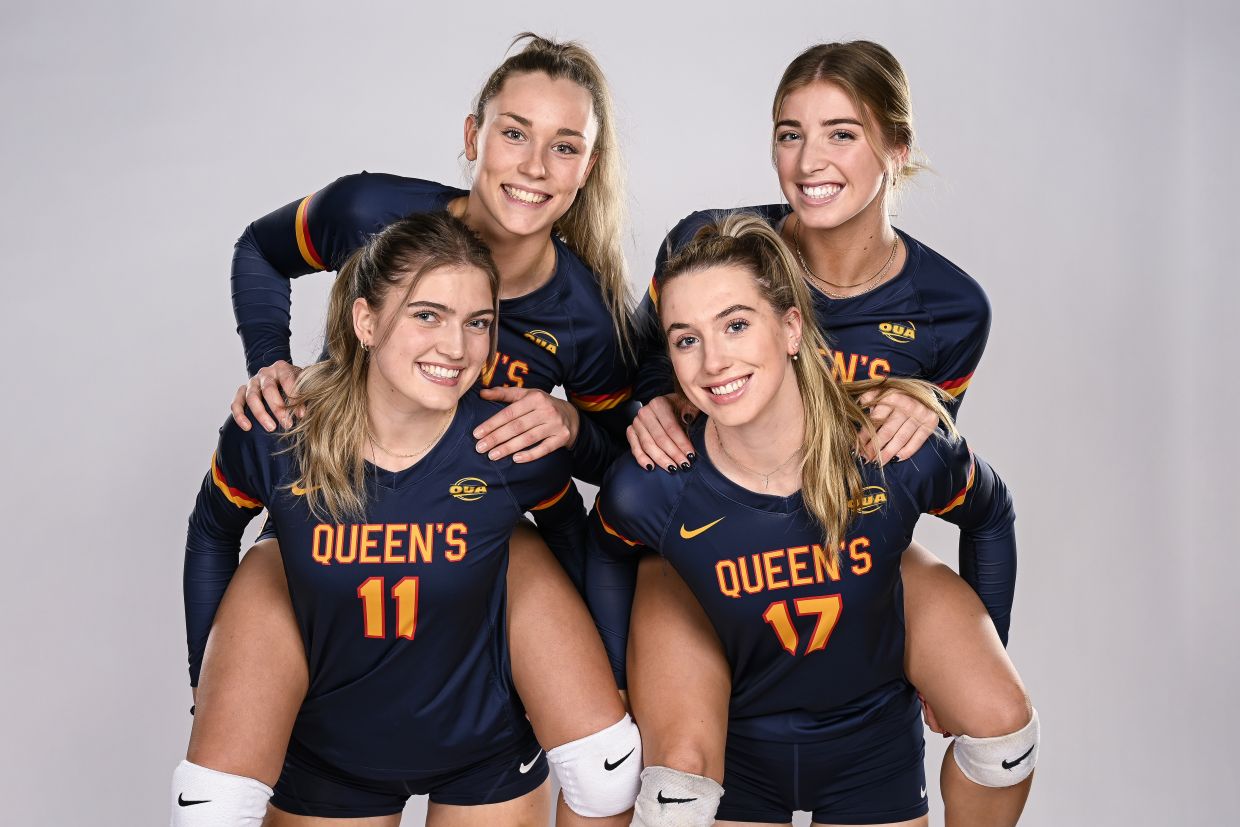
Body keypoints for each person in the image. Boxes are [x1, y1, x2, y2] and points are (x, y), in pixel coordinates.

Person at [178, 34, 642, 826]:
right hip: (332, 519)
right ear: (473, 137)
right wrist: (270, 362)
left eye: (564, 146)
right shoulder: (372, 214)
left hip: (466, 552)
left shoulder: (585, 316)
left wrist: (566, 423)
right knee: (216, 798)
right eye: (514, 132)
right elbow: (259, 248)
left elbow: (619, 466)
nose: (533, 165)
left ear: (586, 168)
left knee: (602, 771)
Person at [622, 41, 1032, 825]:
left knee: (1005, 736)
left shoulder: (951, 308)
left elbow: (911, 479)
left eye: (842, 132)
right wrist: (652, 403)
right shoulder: (716, 245)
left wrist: (963, 658)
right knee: (676, 790)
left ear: (896, 148)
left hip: (843, 535)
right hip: (704, 536)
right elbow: (641, 360)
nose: (809, 159)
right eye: (789, 132)